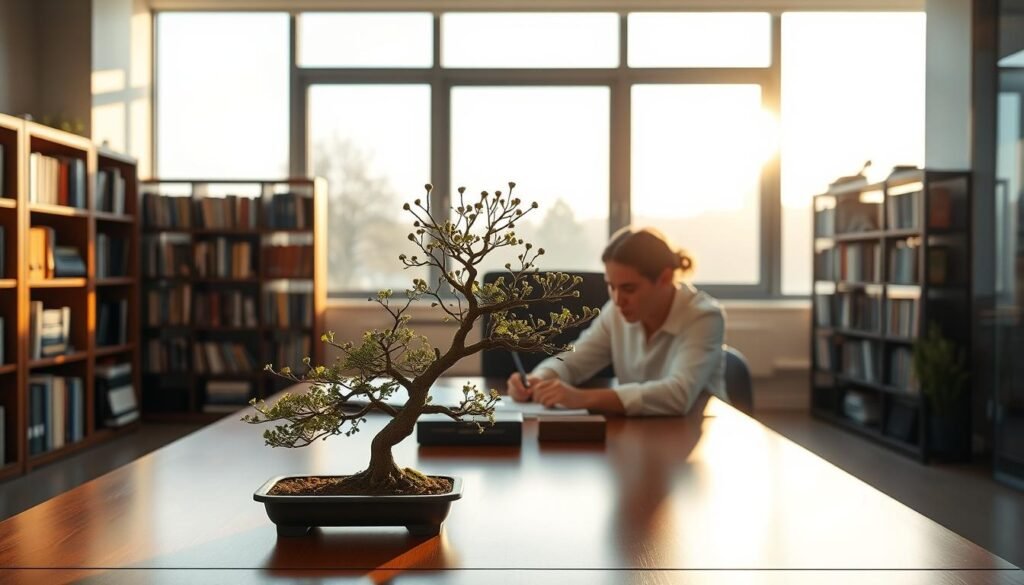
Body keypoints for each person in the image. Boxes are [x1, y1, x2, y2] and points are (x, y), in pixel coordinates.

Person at [507, 227, 726, 416]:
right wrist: (539, 378)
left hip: (698, 434)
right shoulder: (616, 311)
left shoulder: (703, 316)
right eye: (611, 286)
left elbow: (678, 394)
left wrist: (583, 398)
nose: (618, 300)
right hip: (642, 434)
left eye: (629, 288)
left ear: (665, 278)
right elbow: (574, 360)